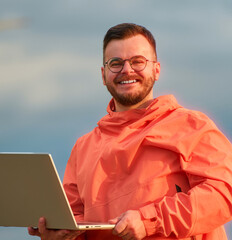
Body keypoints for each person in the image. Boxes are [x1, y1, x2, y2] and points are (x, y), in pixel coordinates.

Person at [28, 23, 232, 240]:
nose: (127, 70)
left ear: (156, 69)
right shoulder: (83, 147)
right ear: (103, 74)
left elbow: (223, 193)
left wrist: (148, 221)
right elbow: (73, 218)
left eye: (137, 61)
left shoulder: (192, 126)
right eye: (115, 63)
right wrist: (57, 233)